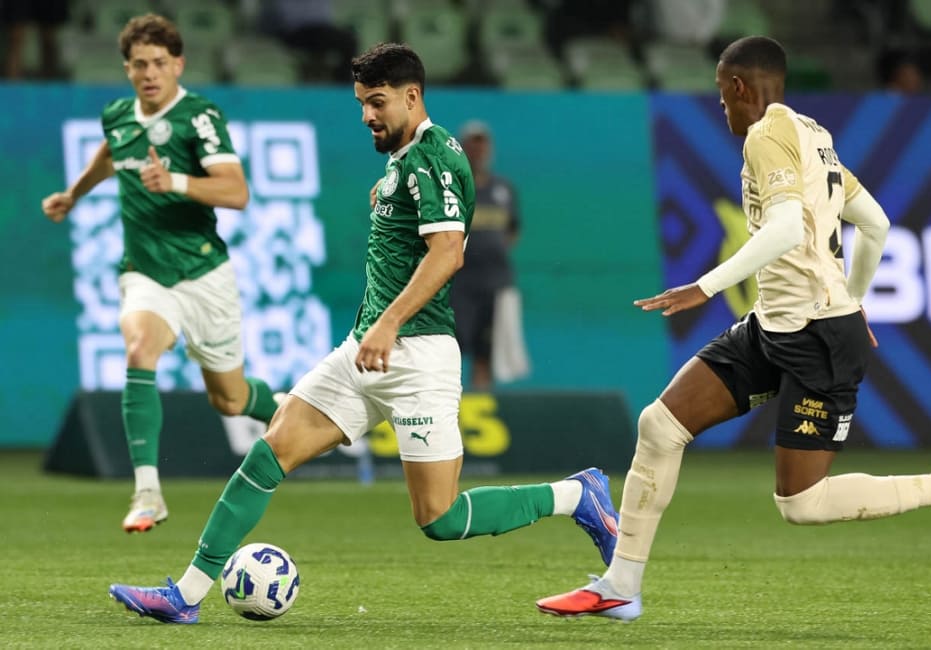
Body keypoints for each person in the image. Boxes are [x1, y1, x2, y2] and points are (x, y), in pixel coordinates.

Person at [106, 43, 619, 625]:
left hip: (417, 355)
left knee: (440, 518)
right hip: (364, 351)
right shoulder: (405, 160)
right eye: (361, 104)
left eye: (377, 102)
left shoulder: (432, 157)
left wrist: (390, 323)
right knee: (270, 451)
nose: (367, 115)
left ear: (411, 96)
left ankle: (576, 495)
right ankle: (186, 594)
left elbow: (448, 253)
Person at [535, 36, 931, 622]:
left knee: (802, 503)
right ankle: (621, 586)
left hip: (819, 337)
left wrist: (706, 286)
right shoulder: (813, 134)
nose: (722, 109)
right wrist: (855, 296)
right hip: (774, 326)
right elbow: (876, 223)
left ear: (740, 87)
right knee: (660, 426)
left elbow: (787, 228)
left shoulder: (765, 135)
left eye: (722, 96)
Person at [41, 14, 281, 533]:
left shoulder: (199, 117)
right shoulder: (117, 117)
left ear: (178, 65)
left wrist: (174, 181)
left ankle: (287, 409)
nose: (149, 73)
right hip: (145, 272)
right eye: (138, 65)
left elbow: (236, 192)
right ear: (127, 69)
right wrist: (73, 194)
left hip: (203, 272)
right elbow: (110, 154)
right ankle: (148, 492)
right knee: (139, 348)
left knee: (231, 399)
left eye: (158, 63)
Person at [450, 119, 526, 390]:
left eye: (482, 144)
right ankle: (451, 407)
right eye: (472, 144)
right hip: (459, 283)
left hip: (495, 283)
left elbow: (512, 230)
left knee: (487, 352)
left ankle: (481, 403)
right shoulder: (452, 188)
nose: (478, 150)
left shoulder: (503, 189)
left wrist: (491, 252)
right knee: (452, 350)